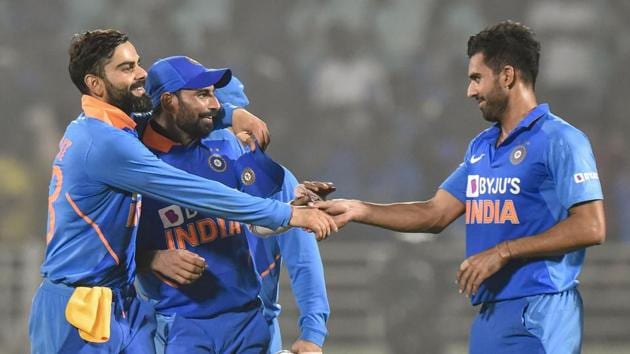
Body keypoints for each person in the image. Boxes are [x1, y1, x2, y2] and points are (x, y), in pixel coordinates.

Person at [29, 29, 336, 354]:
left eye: (138, 63)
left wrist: (232, 114)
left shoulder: (124, 127)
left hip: (126, 301)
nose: (140, 73)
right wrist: (288, 213)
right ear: (95, 84)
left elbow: (156, 116)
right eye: (126, 68)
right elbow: (197, 193)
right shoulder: (108, 143)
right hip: (81, 304)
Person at [317, 21, 605, 354]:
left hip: (541, 310)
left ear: (507, 75)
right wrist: (358, 209)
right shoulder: (481, 147)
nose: (470, 91)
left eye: (476, 78)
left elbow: (591, 225)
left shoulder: (561, 140)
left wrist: (504, 251)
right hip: (490, 314)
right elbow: (434, 213)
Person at [137, 58, 329, 354]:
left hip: (252, 319)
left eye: (219, 102)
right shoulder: (134, 162)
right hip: (181, 321)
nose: (214, 109)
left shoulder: (253, 167)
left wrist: (312, 333)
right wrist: (151, 259)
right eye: (205, 97)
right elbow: (109, 247)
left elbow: (300, 255)